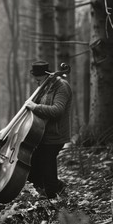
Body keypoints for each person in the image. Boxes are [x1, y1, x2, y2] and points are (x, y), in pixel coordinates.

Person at [23, 60, 72, 199]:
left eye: (39, 80)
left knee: (47, 168)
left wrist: (35, 107)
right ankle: (42, 194)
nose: (37, 83)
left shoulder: (62, 86)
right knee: (34, 167)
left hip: (55, 135)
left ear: (47, 75)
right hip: (42, 134)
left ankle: (53, 196)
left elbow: (58, 110)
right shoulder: (45, 86)